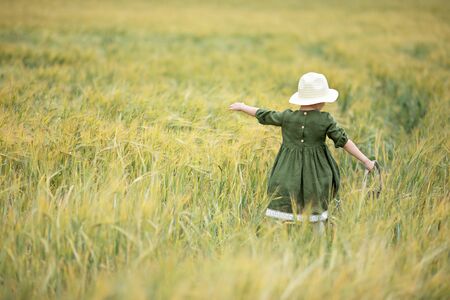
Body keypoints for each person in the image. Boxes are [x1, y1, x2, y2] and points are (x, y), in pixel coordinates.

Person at [229, 72, 375, 234]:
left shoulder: (287, 117)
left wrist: (242, 107)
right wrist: (366, 161)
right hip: (317, 176)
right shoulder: (325, 120)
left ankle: (278, 238)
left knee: (283, 205)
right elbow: (344, 141)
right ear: (321, 100)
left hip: (286, 173)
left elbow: (264, 114)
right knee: (315, 210)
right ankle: (317, 243)